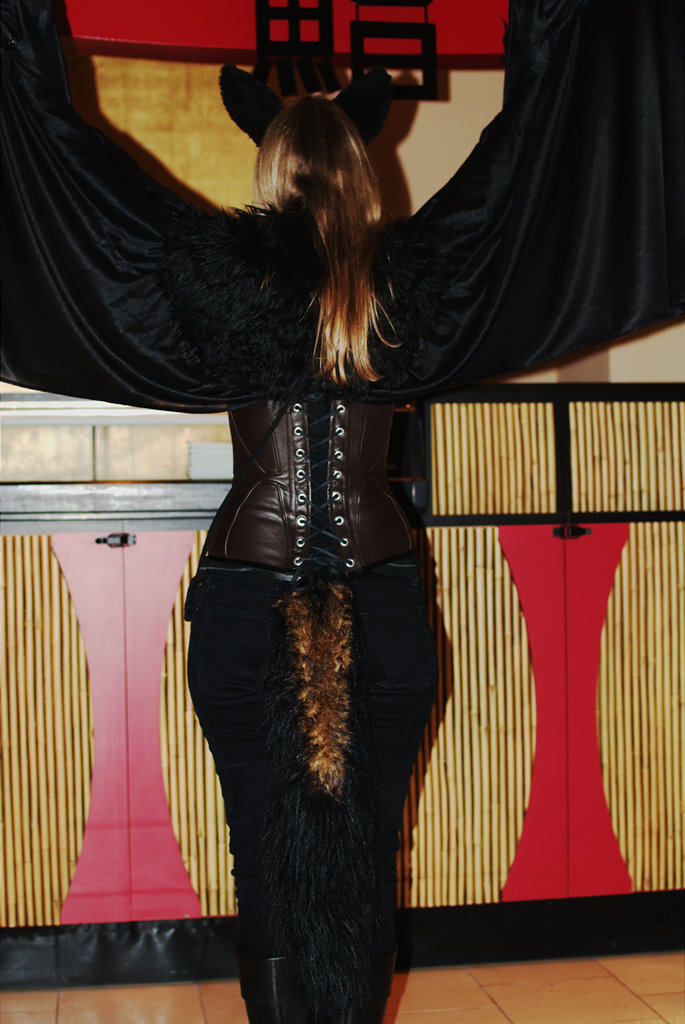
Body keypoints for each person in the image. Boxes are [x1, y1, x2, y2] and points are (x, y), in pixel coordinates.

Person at [1, 0, 683, 1021]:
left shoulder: (213, 274)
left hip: (243, 602)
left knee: (261, 851)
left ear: (268, 165)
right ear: (363, 165)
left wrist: (22, 58)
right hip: (384, 600)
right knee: (367, 853)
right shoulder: (418, 277)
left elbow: (84, 192)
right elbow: (516, 174)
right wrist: (550, 44)